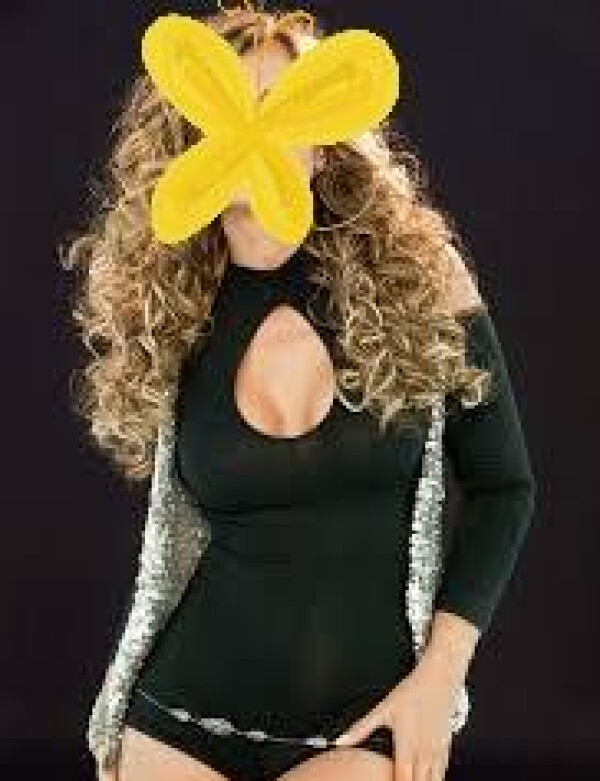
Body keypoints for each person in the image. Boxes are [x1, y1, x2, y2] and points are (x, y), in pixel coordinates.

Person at [62, 3, 536, 780]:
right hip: (180, 715)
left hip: (362, 723)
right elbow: (168, 542)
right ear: (190, 140)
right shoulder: (168, 309)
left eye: (281, 108)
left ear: (324, 142)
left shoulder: (421, 278)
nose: (257, 133)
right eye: (231, 109)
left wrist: (439, 677)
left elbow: (504, 487)